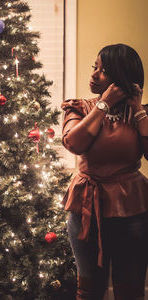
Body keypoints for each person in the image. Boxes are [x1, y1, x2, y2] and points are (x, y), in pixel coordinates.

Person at [61, 43, 148, 300]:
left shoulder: (140, 114)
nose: (94, 74)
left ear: (121, 79)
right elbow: (74, 143)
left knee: (130, 290)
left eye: (103, 71)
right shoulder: (79, 108)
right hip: (85, 208)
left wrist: (139, 111)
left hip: (132, 210)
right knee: (88, 290)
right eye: (94, 67)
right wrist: (103, 105)